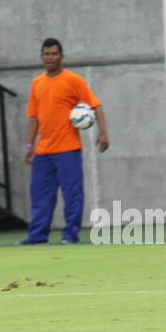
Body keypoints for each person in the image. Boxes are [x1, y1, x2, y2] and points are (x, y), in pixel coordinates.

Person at [18, 38, 108, 246]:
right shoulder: (37, 83)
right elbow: (33, 117)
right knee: (40, 196)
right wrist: (30, 146)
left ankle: (70, 235)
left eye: (54, 54)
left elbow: (96, 105)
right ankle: (37, 236)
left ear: (62, 56)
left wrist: (103, 132)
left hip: (68, 149)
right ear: (42, 57)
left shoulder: (73, 80)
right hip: (43, 151)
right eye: (46, 54)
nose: (49, 57)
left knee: (72, 195)